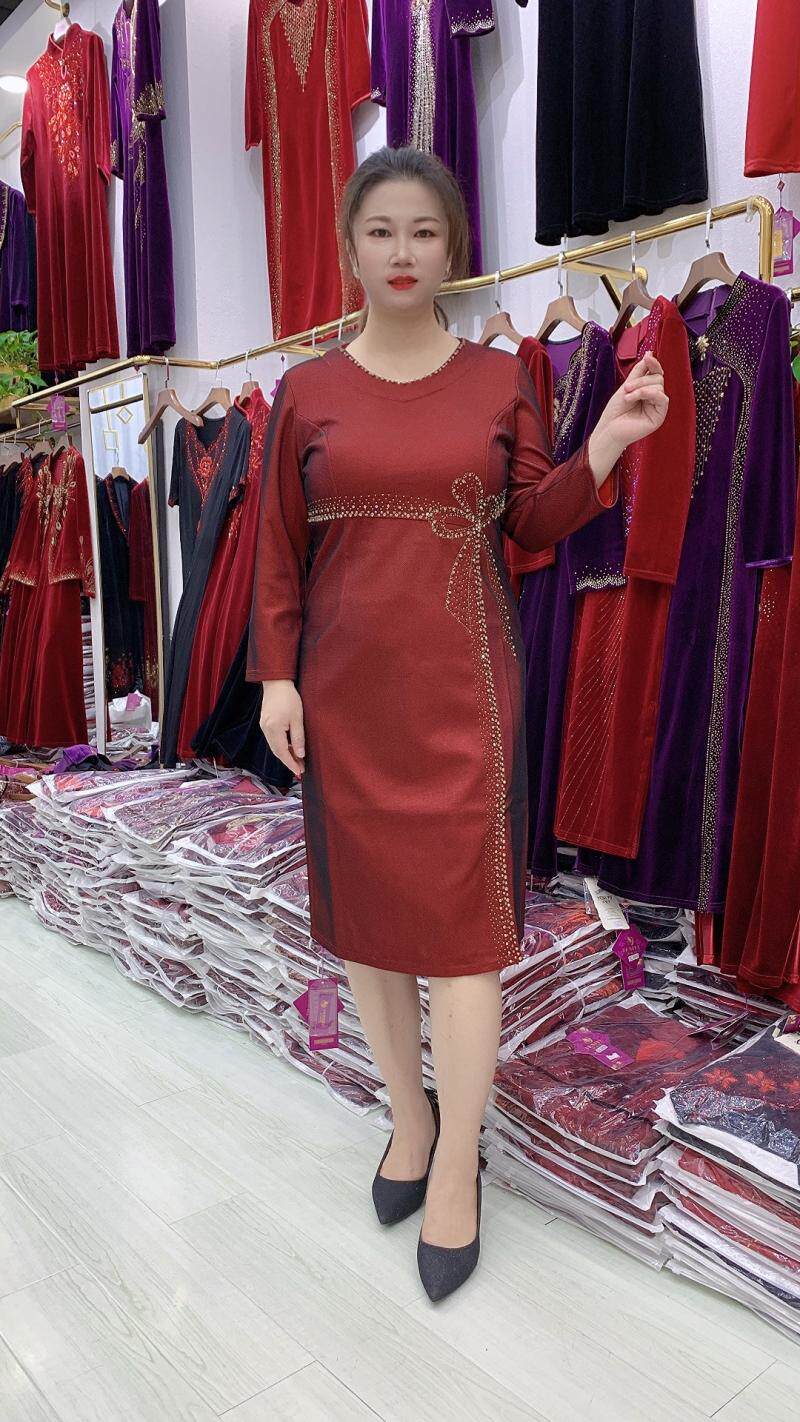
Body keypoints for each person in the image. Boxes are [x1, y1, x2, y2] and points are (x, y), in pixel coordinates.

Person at [248, 146, 667, 1302]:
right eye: (380, 231)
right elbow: (277, 547)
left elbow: (530, 520)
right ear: (349, 246)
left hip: (465, 696)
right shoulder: (305, 392)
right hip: (343, 696)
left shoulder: (495, 380)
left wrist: (605, 441)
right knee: (369, 931)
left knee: (466, 938)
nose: (401, 252)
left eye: (422, 232)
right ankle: (410, 1118)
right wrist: (275, 678)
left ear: (451, 249)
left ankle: (456, 1163)